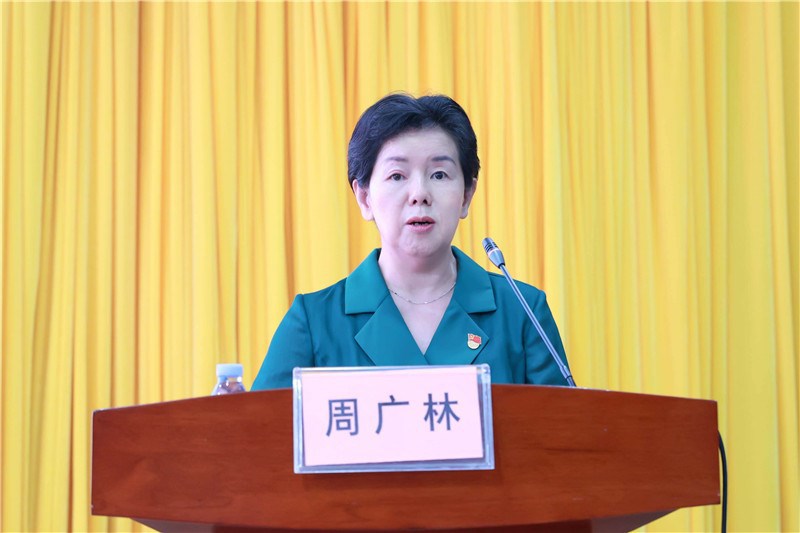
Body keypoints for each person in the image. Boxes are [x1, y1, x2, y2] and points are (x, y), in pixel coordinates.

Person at [251, 93, 570, 390]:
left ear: (466, 195)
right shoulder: (313, 322)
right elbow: (256, 429)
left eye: (439, 174)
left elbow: (566, 427)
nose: (419, 194)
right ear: (364, 198)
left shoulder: (523, 312)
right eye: (397, 176)